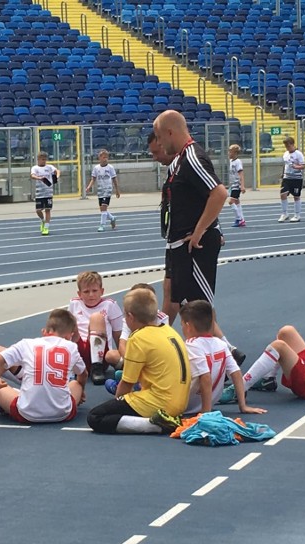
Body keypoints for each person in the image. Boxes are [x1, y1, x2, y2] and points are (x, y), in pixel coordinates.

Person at [151, 111, 245, 367]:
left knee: (199, 309)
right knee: (186, 305)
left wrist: (201, 230)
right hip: (180, 245)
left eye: (160, 137)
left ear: (171, 132)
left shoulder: (192, 158)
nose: (159, 144)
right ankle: (227, 355)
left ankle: (227, 366)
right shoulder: (180, 160)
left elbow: (219, 193)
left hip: (194, 246)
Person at [86, 288, 191, 435]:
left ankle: (156, 425)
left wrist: (118, 402)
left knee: (95, 416)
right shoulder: (169, 331)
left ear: (130, 316)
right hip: (180, 402)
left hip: (160, 403)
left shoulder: (139, 338)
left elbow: (127, 383)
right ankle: (162, 419)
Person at [0, 309, 87, 423]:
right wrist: (81, 390)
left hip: (27, 414)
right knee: (75, 383)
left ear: (45, 331)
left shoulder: (26, 343)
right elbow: (83, 374)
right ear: (69, 336)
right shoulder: (71, 346)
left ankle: (18, 398)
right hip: (62, 414)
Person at [176, 300, 265, 416]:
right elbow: (236, 373)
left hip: (185, 406)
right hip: (207, 403)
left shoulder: (191, 345)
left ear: (188, 326)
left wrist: (206, 414)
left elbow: (206, 378)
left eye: (182, 325)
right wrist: (243, 405)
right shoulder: (221, 344)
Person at [66, 271, 124, 385]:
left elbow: (119, 335)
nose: (91, 295)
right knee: (64, 320)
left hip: (101, 354)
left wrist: (120, 357)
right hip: (79, 353)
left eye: (94, 291)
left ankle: (96, 368)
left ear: (102, 291)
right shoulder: (74, 303)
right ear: (79, 294)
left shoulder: (110, 305)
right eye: (86, 291)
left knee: (96, 317)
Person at [147, 130, 180, 327]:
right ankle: (227, 347)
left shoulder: (186, 166)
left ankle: (160, 335)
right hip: (174, 238)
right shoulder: (173, 168)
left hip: (185, 241)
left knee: (185, 297)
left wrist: (211, 227)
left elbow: (213, 194)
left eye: (155, 152)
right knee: (172, 290)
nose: (155, 158)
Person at [105, 283, 167, 368]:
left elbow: (163, 347)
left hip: (154, 358)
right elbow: (122, 344)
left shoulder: (162, 319)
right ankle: (133, 371)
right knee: (111, 355)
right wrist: (131, 363)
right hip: (135, 357)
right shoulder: (129, 318)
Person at [85, 149, 121, 232]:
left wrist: (117, 190)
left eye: (106, 157)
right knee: (102, 209)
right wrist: (89, 187)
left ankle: (102, 225)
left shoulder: (110, 168)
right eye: (103, 157)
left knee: (104, 207)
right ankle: (112, 218)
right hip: (100, 190)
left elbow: (114, 179)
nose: (105, 159)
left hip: (107, 189)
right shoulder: (96, 168)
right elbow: (93, 179)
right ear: (99, 158)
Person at [30, 151, 60, 236]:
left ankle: (46, 227)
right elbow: (32, 175)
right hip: (39, 193)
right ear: (38, 159)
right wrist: (39, 178)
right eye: (42, 159)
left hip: (48, 192)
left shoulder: (50, 167)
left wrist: (57, 176)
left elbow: (57, 171)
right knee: (38, 210)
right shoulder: (35, 168)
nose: (44, 161)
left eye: (45, 160)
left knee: (47, 209)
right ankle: (42, 220)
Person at [277, 136, 305, 223]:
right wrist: (282, 174)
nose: (287, 148)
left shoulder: (298, 154)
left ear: (293, 144)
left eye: (288, 146)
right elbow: (285, 164)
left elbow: (303, 166)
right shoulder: (285, 154)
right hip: (287, 177)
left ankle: (297, 214)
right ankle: (284, 213)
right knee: (283, 194)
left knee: (296, 196)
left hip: (296, 178)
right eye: (286, 146)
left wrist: (296, 167)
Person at [227, 144, 246, 227]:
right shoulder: (231, 162)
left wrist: (242, 186)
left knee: (231, 201)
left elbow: (241, 174)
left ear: (234, 153)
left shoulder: (238, 162)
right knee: (237, 202)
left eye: (230, 152)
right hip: (233, 184)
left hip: (237, 185)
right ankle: (242, 219)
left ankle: (239, 218)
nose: (228, 153)